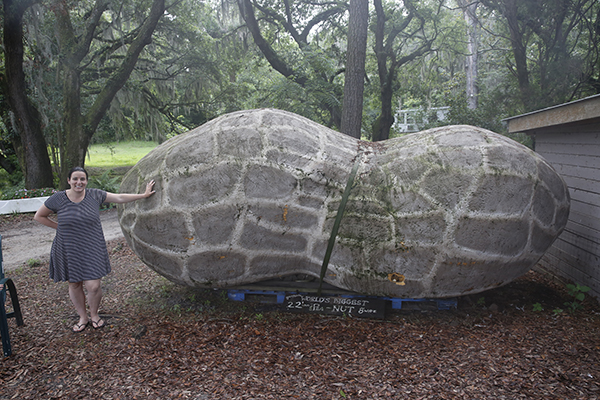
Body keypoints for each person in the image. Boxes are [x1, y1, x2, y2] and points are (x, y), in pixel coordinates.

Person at [34, 166, 155, 332]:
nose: (79, 182)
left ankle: (94, 315)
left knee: (94, 286)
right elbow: (39, 216)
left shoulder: (95, 195)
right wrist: (59, 228)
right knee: (75, 284)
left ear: (86, 181)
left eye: (82, 179)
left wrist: (144, 195)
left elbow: (119, 197)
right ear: (69, 180)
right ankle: (83, 317)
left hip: (92, 246)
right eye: (75, 178)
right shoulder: (58, 199)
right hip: (68, 247)